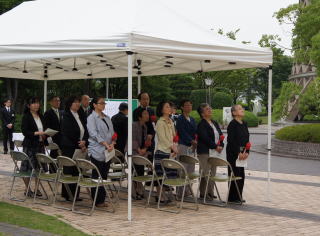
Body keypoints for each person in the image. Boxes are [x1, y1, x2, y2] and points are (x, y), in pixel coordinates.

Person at [87, 97, 115, 208]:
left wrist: (113, 142)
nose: (103, 105)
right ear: (94, 105)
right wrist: (104, 143)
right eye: (101, 103)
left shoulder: (107, 117)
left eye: (104, 103)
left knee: (104, 175)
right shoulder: (91, 118)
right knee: (96, 175)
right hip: (96, 150)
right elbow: (93, 133)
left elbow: (112, 133)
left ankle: (101, 199)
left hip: (108, 151)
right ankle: (96, 200)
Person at [60, 96, 88, 201]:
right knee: (69, 169)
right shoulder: (66, 115)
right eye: (75, 102)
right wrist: (79, 143)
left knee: (77, 170)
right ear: (70, 104)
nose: (77, 104)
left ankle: (75, 194)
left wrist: (84, 141)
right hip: (70, 146)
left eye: (78, 102)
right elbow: (68, 132)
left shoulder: (80, 114)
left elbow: (85, 129)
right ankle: (68, 194)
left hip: (80, 145)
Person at [21, 97, 47, 197]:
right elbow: (25, 131)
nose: (36, 105)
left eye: (37, 103)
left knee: (39, 167)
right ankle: (27, 189)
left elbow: (44, 129)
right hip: (30, 146)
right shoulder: (26, 116)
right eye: (33, 103)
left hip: (40, 145)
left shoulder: (41, 115)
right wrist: (37, 133)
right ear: (28, 105)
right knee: (27, 167)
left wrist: (45, 134)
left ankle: (37, 188)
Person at [197, 103, 224, 199]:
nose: (210, 110)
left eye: (210, 108)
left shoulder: (214, 122)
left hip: (215, 151)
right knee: (205, 172)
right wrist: (215, 146)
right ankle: (203, 193)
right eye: (207, 109)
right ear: (202, 114)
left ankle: (210, 192)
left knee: (213, 172)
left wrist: (221, 145)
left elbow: (220, 135)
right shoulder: (201, 124)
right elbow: (205, 138)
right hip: (205, 151)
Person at [154, 101, 178, 203]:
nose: (169, 108)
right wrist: (172, 146)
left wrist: (175, 145)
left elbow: (173, 136)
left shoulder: (171, 121)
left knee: (168, 174)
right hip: (162, 151)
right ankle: (159, 195)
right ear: (162, 109)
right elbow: (162, 138)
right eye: (167, 107)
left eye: (170, 107)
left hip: (169, 151)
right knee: (160, 175)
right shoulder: (160, 122)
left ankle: (164, 195)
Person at [227, 104, 250, 203]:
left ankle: (239, 196)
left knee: (241, 174)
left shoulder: (244, 123)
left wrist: (246, 152)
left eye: (242, 108)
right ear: (234, 113)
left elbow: (247, 139)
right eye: (240, 109)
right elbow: (231, 141)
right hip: (233, 153)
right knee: (234, 173)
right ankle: (232, 197)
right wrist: (238, 153)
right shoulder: (232, 124)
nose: (242, 110)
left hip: (243, 152)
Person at [176, 99, 197, 197]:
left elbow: (195, 132)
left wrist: (195, 141)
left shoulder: (192, 119)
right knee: (182, 168)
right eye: (186, 105)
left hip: (192, 147)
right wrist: (191, 141)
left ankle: (188, 190)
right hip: (183, 145)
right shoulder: (180, 119)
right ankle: (180, 191)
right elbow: (182, 132)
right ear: (182, 107)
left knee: (191, 169)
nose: (189, 107)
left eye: (190, 105)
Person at [131, 108, 149, 200]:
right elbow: (132, 139)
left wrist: (144, 149)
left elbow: (145, 141)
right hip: (133, 152)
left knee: (140, 170)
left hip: (141, 152)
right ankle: (135, 191)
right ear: (139, 116)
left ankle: (139, 189)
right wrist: (139, 150)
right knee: (135, 171)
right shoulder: (134, 125)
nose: (147, 115)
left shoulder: (144, 126)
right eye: (145, 114)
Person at [133, 92, 155, 160]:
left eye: (148, 99)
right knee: (139, 162)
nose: (146, 101)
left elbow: (153, 125)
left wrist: (151, 135)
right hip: (140, 140)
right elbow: (137, 127)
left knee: (150, 162)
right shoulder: (136, 111)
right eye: (144, 99)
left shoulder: (151, 110)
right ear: (139, 100)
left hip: (150, 140)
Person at [43, 96, 62, 171]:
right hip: (52, 137)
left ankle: (58, 170)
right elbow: (45, 126)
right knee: (53, 154)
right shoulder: (48, 113)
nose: (58, 102)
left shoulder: (61, 112)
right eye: (55, 101)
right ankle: (52, 170)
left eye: (59, 101)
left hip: (60, 138)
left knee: (59, 155)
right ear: (51, 102)